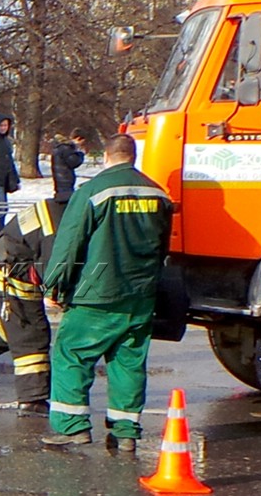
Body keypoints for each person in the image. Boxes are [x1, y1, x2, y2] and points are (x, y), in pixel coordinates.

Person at [41, 133, 174, 452]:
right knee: (128, 362)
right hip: (140, 295)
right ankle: (126, 431)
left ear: (106, 156)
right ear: (133, 156)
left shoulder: (94, 191)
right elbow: (163, 246)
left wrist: (55, 283)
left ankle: (72, 426)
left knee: (72, 354)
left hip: (96, 293)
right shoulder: (158, 194)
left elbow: (71, 241)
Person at [0, 196, 68, 414]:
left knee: (20, 323)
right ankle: (32, 400)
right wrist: (54, 292)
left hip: (10, 264)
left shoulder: (56, 209)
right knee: (31, 333)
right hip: (8, 271)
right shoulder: (59, 223)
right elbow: (52, 261)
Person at [50, 130, 87, 201]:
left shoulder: (60, 147)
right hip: (65, 179)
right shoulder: (66, 148)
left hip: (60, 178)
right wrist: (80, 153)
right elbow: (74, 162)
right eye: (81, 142)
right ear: (78, 138)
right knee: (66, 200)